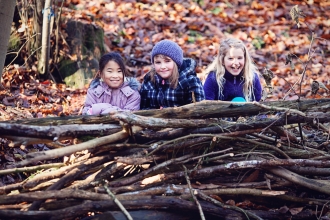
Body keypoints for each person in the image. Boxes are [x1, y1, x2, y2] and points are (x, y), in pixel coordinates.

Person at [140, 39, 205, 109]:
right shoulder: (149, 81)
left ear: (176, 63)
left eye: (167, 61)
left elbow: (198, 109)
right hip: (153, 119)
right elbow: (143, 108)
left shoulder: (189, 82)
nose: (163, 67)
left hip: (181, 118)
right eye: (158, 62)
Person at [203, 38, 262, 102]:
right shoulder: (213, 78)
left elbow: (260, 104)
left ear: (245, 59)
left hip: (247, 111)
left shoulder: (252, 77)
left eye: (240, 58)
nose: (236, 63)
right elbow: (205, 104)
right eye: (230, 58)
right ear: (222, 60)